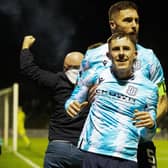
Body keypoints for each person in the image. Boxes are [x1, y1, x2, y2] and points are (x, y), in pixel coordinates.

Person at [76, 1, 167, 167]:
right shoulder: (94, 57)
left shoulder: (150, 59)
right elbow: (80, 95)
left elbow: (163, 98)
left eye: (136, 21)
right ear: (113, 24)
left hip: (140, 146)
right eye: (128, 20)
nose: (134, 25)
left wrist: (151, 121)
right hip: (101, 148)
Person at [65, 32, 158, 168]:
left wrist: (150, 125)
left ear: (135, 54)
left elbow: (147, 135)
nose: (121, 53)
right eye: (115, 49)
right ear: (108, 55)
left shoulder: (149, 89)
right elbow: (73, 99)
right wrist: (71, 106)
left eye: (126, 48)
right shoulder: (94, 74)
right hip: (92, 153)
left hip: (126, 159)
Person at [20, 35, 88, 168]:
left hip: (58, 148)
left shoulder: (56, 81)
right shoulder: (94, 84)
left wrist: (25, 47)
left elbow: (28, 69)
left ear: (65, 67)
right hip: (84, 149)